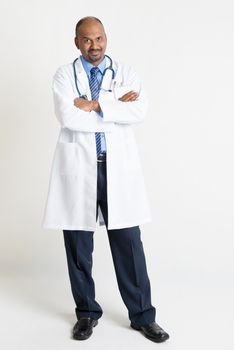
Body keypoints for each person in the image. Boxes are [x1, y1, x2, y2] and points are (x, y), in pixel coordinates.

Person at [42, 16, 169, 343]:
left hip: (117, 170)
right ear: (76, 42)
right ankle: (86, 313)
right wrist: (113, 111)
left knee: (128, 243)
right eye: (87, 40)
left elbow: (138, 112)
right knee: (79, 246)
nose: (94, 46)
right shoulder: (63, 75)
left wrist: (95, 104)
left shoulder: (125, 73)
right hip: (79, 169)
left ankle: (143, 316)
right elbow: (68, 116)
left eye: (99, 38)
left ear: (106, 39)